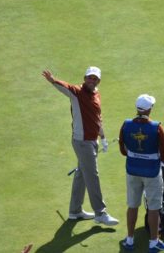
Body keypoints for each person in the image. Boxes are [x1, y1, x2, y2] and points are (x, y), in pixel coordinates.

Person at [42, 67, 118, 226]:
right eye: (89, 78)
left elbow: (98, 118)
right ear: (84, 78)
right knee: (92, 176)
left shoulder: (96, 93)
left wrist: (102, 137)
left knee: (82, 174)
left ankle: (75, 211)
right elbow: (65, 87)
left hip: (92, 141)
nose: (92, 81)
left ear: (98, 81)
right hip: (82, 142)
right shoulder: (76, 92)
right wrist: (52, 80)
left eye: (95, 78)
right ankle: (100, 213)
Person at [119, 94, 164, 253]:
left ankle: (129, 240)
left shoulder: (126, 125)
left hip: (132, 170)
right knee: (154, 208)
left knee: (132, 205)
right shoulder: (157, 127)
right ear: (149, 109)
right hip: (152, 172)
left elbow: (122, 149)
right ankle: (154, 242)